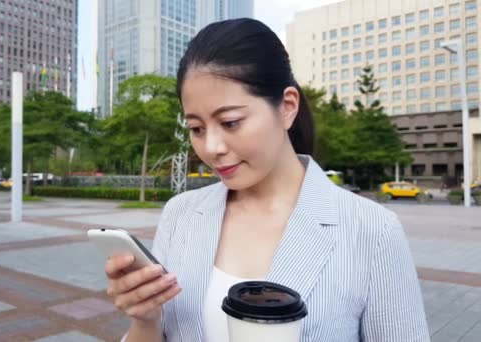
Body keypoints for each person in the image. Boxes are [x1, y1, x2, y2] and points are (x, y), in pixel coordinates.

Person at [103, 18, 430, 342]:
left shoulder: (372, 231)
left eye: (230, 122)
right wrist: (145, 320)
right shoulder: (181, 214)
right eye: (196, 128)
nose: (212, 148)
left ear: (287, 107)